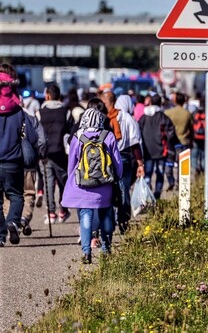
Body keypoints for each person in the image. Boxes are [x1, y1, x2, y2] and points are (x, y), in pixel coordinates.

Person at [61, 108, 122, 263]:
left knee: (85, 217)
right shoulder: (108, 136)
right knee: (106, 216)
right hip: (105, 185)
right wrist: (117, 177)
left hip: (83, 184)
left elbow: (72, 163)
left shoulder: (78, 137)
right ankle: (106, 248)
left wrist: (71, 178)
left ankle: (87, 252)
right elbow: (117, 161)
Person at [0, 64, 40, 246]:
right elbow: (32, 136)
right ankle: (13, 222)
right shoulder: (19, 112)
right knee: (16, 195)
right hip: (13, 161)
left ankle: (0, 237)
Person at [36, 83, 73, 224]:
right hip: (62, 152)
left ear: (47, 96)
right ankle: (63, 209)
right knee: (63, 182)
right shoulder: (66, 112)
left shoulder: (40, 113)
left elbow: (36, 134)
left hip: (45, 153)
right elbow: (71, 133)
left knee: (48, 183)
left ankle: (51, 213)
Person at [113, 94, 145, 233]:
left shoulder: (109, 117)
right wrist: (140, 163)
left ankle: (110, 219)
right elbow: (136, 143)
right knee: (124, 190)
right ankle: (123, 220)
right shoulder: (130, 119)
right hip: (126, 157)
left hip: (110, 157)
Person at [139, 94, 177, 199]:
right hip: (161, 150)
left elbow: (138, 131)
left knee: (148, 173)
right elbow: (171, 132)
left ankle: (147, 194)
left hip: (147, 151)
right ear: (160, 103)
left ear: (150, 102)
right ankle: (157, 195)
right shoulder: (163, 117)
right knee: (160, 173)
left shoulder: (143, 117)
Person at [165, 92, 194, 189]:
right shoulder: (187, 114)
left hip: (170, 143)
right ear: (184, 101)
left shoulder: (168, 113)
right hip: (184, 142)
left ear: (175, 100)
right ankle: (180, 184)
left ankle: (170, 181)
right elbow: (191, 128)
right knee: (182, 165)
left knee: (169, 162)